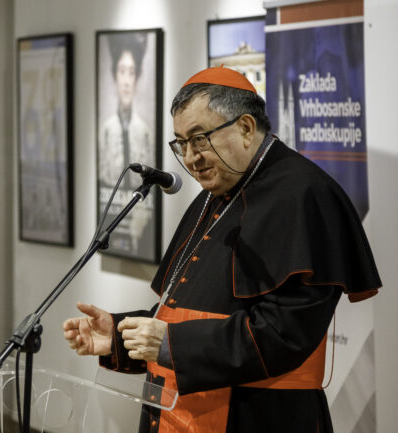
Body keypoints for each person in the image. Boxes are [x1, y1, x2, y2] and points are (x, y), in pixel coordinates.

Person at [64, 66, 381, 433]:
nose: (190, 158)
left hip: (260, 418)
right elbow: (185, 311)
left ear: (245, 128)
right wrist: (118, 336)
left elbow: (284, 335)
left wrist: (171, 344)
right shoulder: (215, 196)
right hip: (179, 410)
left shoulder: (305, 195)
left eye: (199, 139)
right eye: (181, 143)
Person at [98, 33, 154, 257]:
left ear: (138, 77)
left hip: (140, 228)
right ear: (114, 76)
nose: (126, 81)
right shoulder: (105, 130)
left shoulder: (145, 132)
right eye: (122, 71)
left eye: (131, 72)